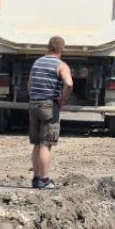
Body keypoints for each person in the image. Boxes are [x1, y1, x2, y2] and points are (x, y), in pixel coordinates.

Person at [27, 36, 73, 190]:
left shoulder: (37, 62)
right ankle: (45, 180)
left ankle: (35, 179)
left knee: (36, 144)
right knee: (46, 144)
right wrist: (63, 99)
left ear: (48, 47)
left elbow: (30, 83)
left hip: (34, 104)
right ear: (62, 50)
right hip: (48, 106)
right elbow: (69, 83)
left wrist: (33, 98)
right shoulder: (61, 65)